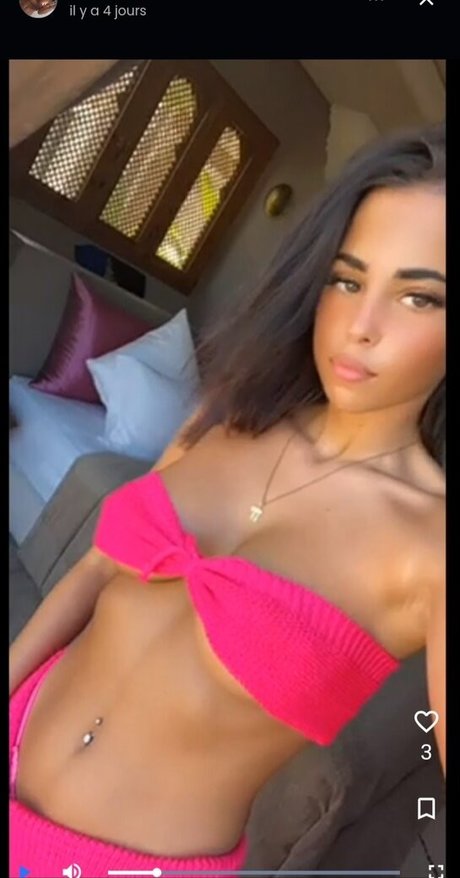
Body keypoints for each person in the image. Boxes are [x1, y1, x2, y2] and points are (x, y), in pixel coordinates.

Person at [9, 123, 445, 878]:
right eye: (347, 280)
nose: (360, 327)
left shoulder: (431, 544)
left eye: (418, 297)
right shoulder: (232, 411)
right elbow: (97, 572)